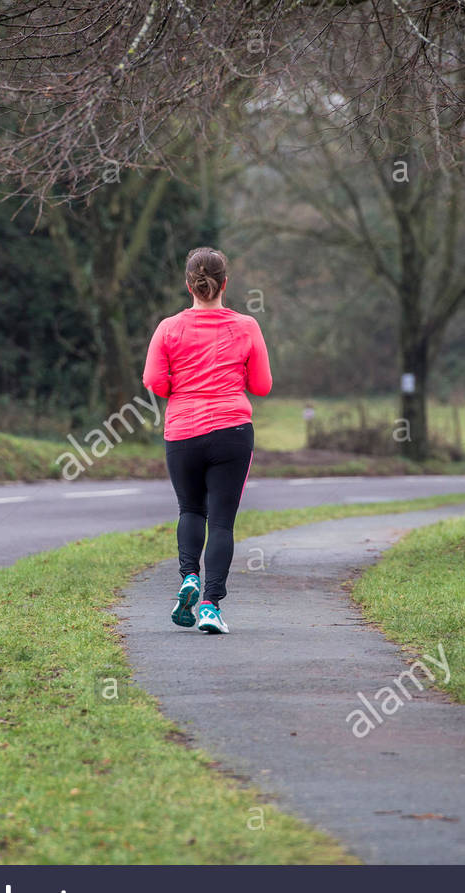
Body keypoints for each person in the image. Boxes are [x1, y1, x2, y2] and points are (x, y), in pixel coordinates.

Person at [142, 247, 272, 634]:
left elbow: (153, 382)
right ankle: (211, 607)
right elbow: (261, 386)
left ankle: (188, 577)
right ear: (225, 284)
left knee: (190, 510)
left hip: (183, 431)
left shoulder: (168, 328)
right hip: (232, 432)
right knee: (222, 524)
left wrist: (177, 387)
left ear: (189, 285)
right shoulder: (246, 326)